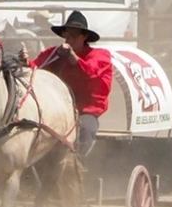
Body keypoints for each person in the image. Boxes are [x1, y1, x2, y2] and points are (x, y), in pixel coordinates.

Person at [30, 10, 114, 155]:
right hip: (58, 108)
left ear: (84, 37)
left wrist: (73, 58)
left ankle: (78, 161)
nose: (68, 40)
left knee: (85, 130)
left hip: (85, 111)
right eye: (66, 36)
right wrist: (24, 61)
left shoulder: (100, 56)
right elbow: (35, 67)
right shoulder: (55, 53)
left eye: (73, 36)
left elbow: (91, 73)